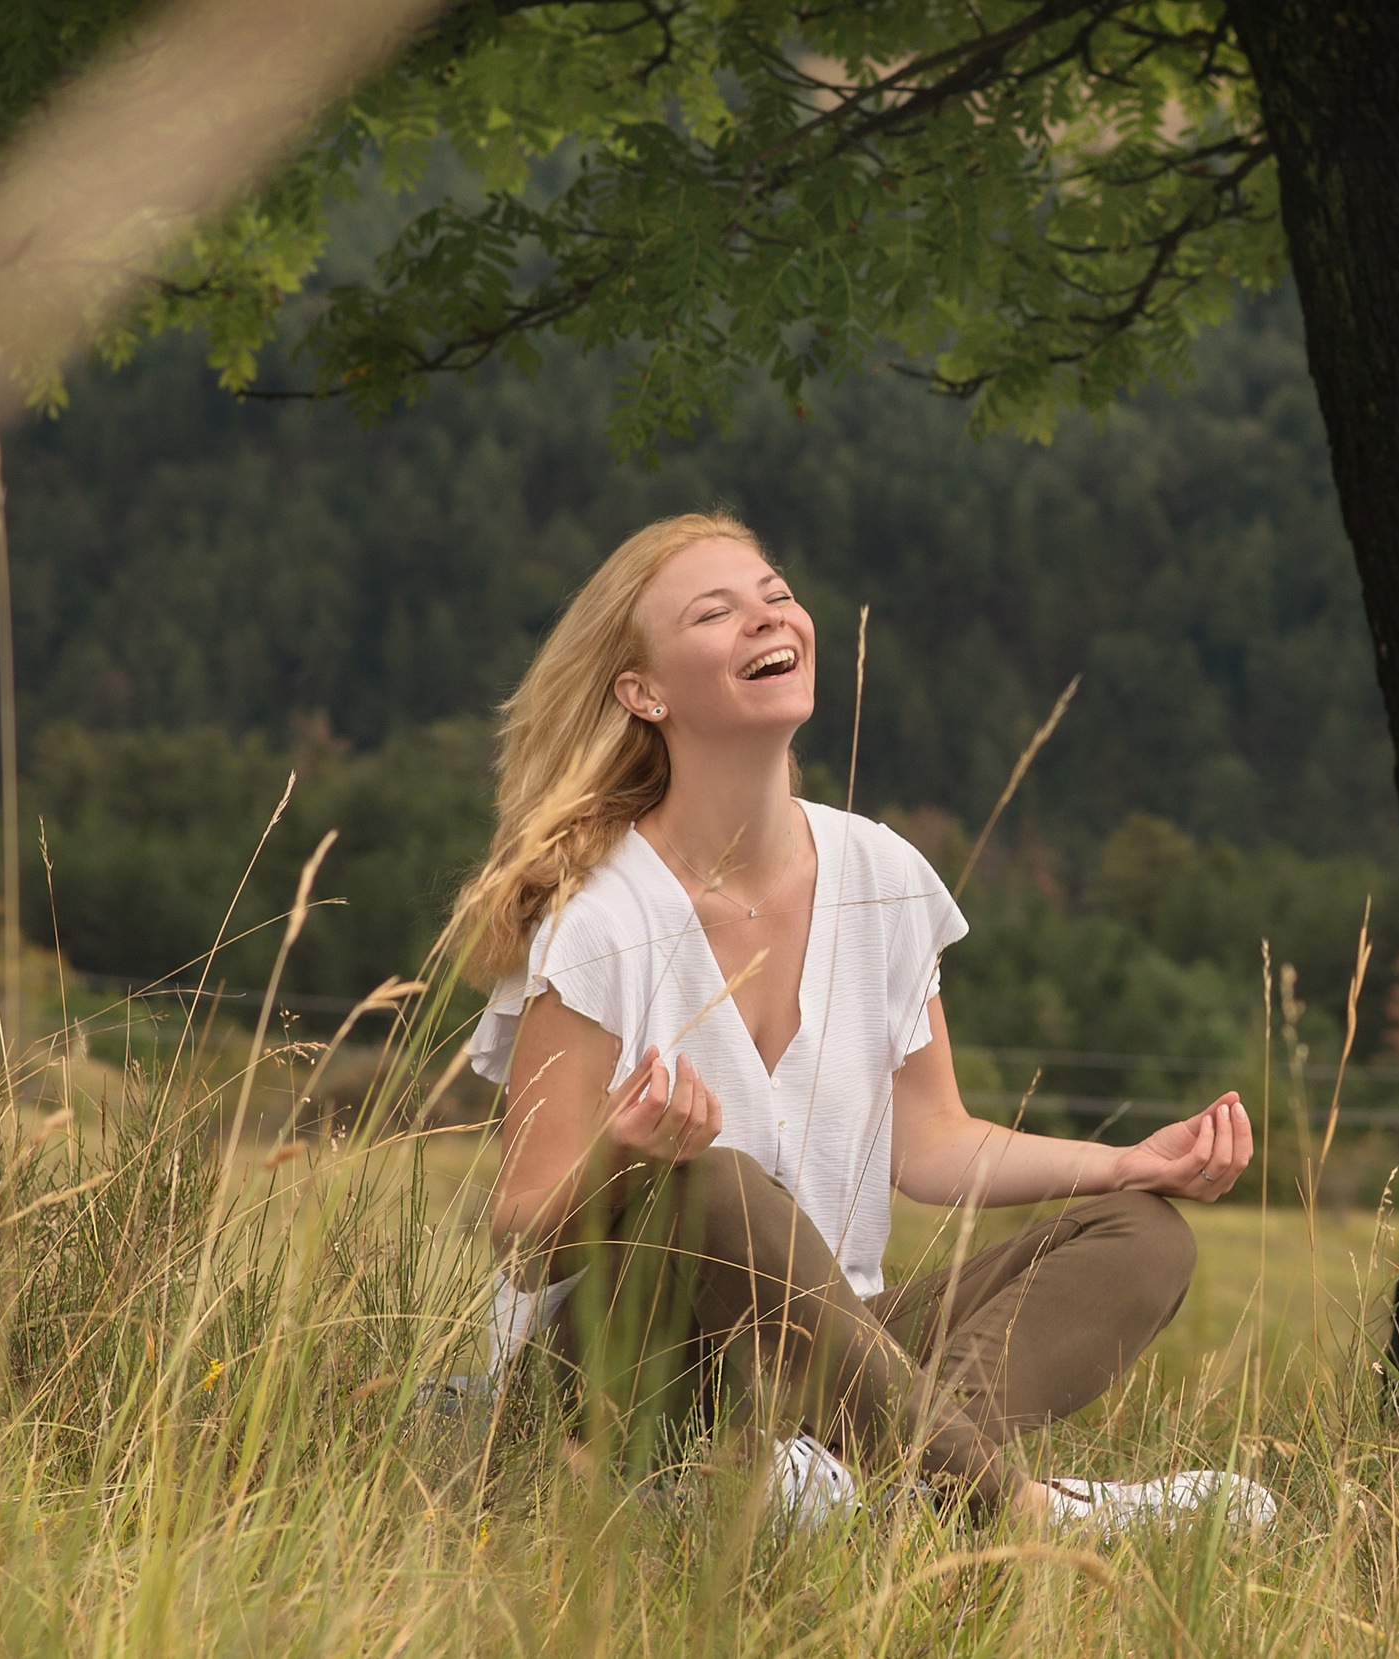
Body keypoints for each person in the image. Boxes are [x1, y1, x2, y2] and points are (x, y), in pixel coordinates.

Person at [451, 511, 1272, 1528]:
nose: (767, 616)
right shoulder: (599, 916)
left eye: (777, 594)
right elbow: (524, 1239)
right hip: (624, 1370)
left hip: (830, 1359)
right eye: (717, 612)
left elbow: (931, 1145)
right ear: (643, 692)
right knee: (708, 1182)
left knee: (1144, 1236)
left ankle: (880, 1487)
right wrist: (622, 1163)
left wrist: (1126, 1165)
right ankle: (1012, 1504)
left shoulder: (883, 879)